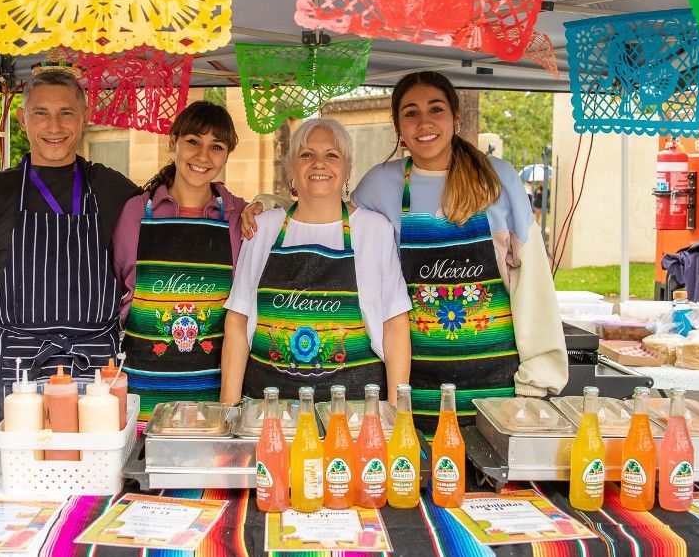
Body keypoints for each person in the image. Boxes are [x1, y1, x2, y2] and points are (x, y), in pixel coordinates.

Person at [0, 68, 136, 425]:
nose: (54, 126)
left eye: (66, 113)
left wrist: (250, 210)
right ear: (22, 119)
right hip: (14, 370)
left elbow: (169, 215)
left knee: (93, 472)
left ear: (85, 117)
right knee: (12, 471)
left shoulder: (115, 190)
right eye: (41, 113)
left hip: (97, 371)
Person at [352, 71, 567, 435]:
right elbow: (329, 226)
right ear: (398, 126)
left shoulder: (495, 178)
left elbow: (532, 285)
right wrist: (264, 209)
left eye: (435, 110)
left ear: (456, 117)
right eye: (411, 113)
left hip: (496, 395)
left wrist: (535, 384)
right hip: (410, 391)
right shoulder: (379, 185)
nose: (424, 123)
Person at [220, 118, 411, 404]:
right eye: (306, 154)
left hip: (355, 411)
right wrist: (229, 408)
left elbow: (395, 326)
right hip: (268, 410)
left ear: (347, 169)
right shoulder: (262, 229)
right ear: (291, 169)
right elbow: (237, 323)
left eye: (331, 155)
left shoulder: (375, 230)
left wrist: (398, 413)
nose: (319, 163)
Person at [112, 101, 248, 421]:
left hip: (214, 393)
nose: (203, 156)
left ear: (227, 155)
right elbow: (117, 285)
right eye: (193, 142)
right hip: (141, 390)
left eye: (216, 146)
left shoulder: (237, 215)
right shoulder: (136, 212)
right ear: (173, 142)